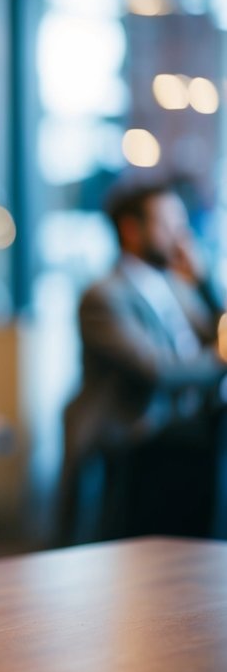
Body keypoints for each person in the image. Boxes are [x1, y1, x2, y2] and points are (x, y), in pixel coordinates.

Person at [61, 181, 227, 543]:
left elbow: (218, 327)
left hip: (186, 437)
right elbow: (156, 369)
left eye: (181, 224)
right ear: (131, 230)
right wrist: (220, 358)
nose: (180, 236)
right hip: (133, 436)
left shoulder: (177, 287)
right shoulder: (103, 295)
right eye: (167, 225)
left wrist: (205, 282)